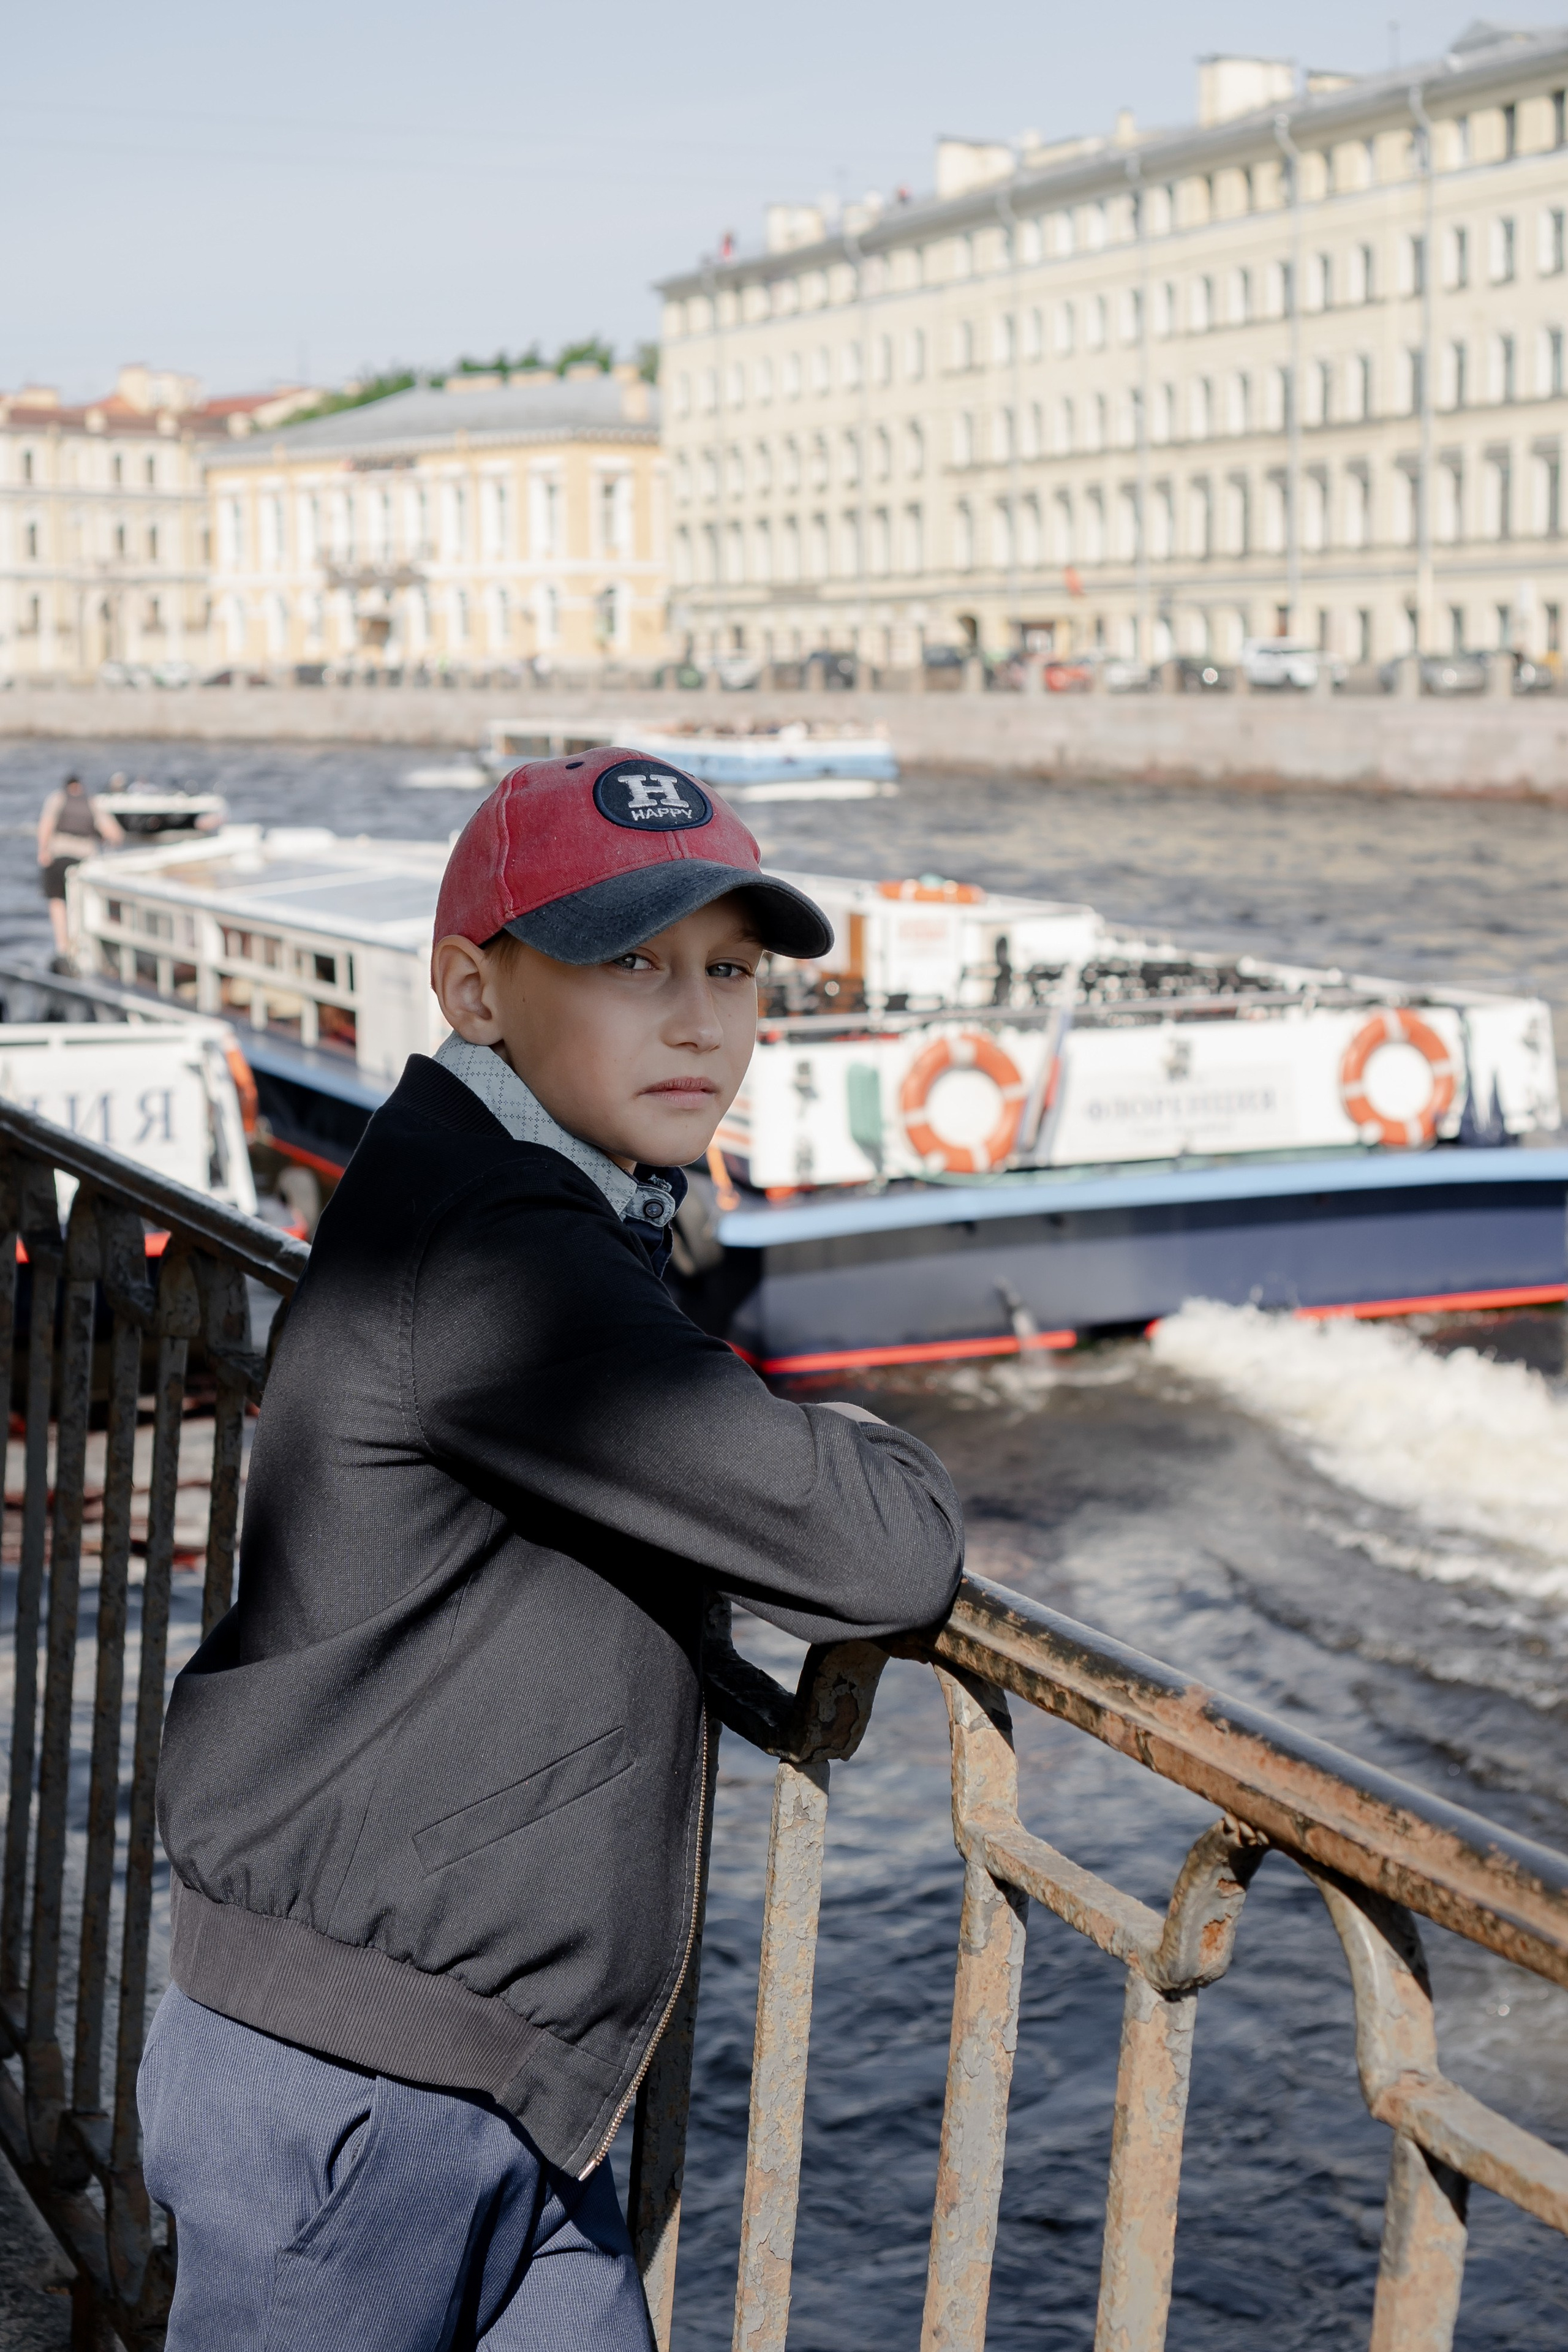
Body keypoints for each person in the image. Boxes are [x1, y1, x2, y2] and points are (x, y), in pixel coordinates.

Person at [143, 747, 964, 2350]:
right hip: (360, 2100)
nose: (700, 1016)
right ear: (474, 986)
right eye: (630, 960)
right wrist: (877, 1452)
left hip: (468, 2077)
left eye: (732, 969)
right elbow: (880, 1555)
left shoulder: (484, 1186)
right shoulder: (502, 1255)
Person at [36, 772, 123, 965]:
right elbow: (115, 835)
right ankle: (83, 946)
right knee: (84, 902)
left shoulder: (57, 799)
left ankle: (63, 946)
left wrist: (43, 852)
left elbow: (46, 826)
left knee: (57, 901)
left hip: (59, 856)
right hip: (85, 861)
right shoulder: (92, 803)